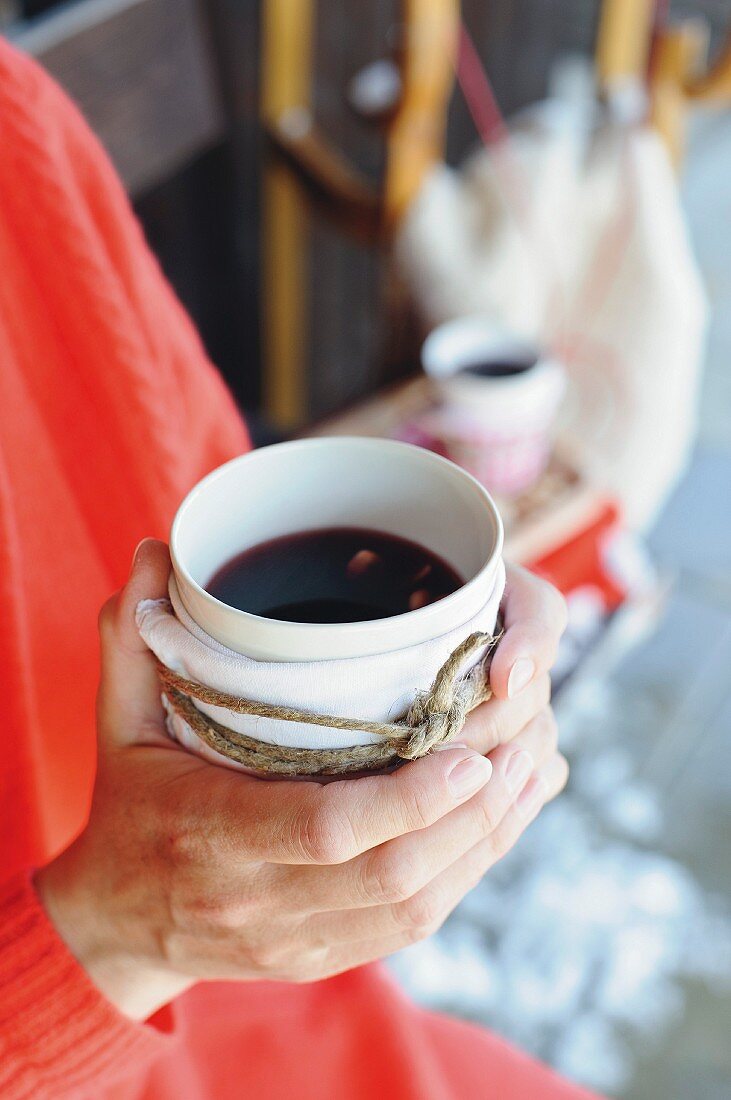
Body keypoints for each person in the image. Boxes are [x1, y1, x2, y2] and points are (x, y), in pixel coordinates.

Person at [0, 37, 594, 1100]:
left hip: (252, 991)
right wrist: (112, 934)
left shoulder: (18, 136)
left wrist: (475, 665)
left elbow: (200, 484)